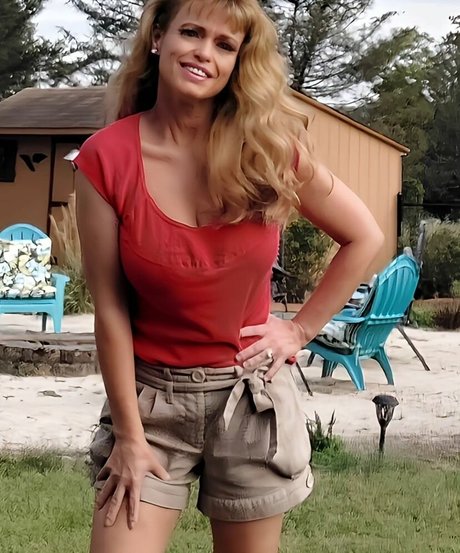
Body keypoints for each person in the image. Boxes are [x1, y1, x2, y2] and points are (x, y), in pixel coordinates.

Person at [75, 0, 384, 551]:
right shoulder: (107, 158)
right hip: (151, 403)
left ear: (239, 62)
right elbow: (111, 307)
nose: (204, 53)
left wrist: (299, 329)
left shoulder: (268, 152)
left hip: (251, 398)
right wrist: (128, 435)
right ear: (158, 38)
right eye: (191, 33)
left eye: (224, 45)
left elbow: (365, 236)